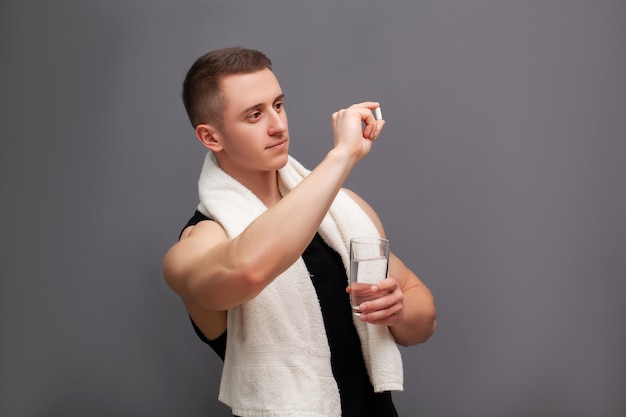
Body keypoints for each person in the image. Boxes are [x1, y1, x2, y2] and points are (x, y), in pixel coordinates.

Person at [162, 46, 437, 417]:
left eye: (278, 105)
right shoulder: (200, 241)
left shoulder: (343, 212)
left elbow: (424, 320)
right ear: (212, 138)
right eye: (254, 115)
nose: (277, 125)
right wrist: (341, 157)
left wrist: (398, 311)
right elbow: (247, 270)